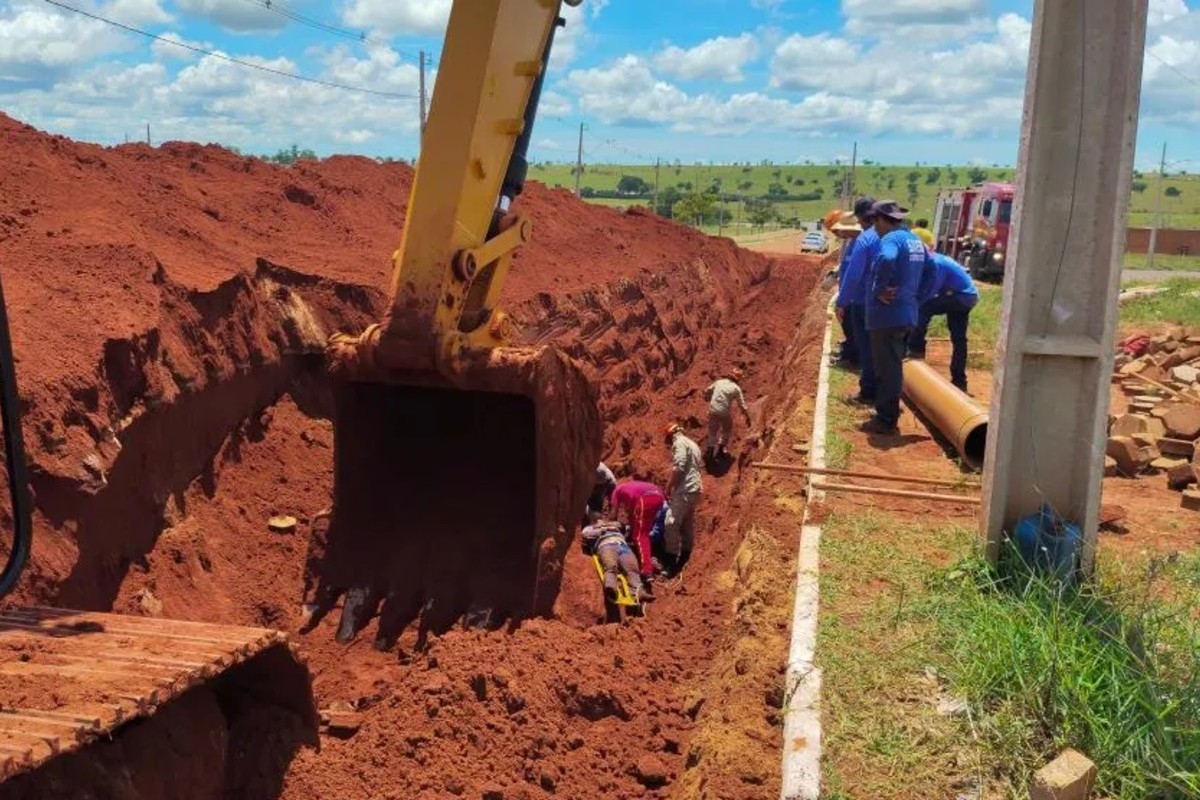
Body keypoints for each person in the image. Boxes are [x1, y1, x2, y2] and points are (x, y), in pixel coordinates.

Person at [862, 200, 927, 435]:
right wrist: (917, 298)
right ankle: (886, 410)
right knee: (893, 365)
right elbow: (932, 270)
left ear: (881, 220)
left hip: (887, 317)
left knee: (887, 368)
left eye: (874, 222)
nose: (873, 227)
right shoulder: (914, 240)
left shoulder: (890, 240)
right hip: (907, 314)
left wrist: (879, 289)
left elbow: (887, 259)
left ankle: (886, 419)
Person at [909, 248, 979, 392]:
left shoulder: (936, 264)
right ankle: (959, 381)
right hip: (967, 297)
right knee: (959, 340)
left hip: (960, 297)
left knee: (923, 308)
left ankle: (916, 350)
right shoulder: (937, 258)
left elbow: (929, 292)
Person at [838, 197, 881, 404]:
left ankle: (868, 391)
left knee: (867, 348)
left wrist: (842, 302)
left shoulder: (866, 239)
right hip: (892, 305)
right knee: (887, 352)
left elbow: (854, 275)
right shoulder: (901, 237)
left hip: (863, 302)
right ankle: (885, 394)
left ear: (862, 218)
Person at [661, 422, 703, 579]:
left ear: (671, 436)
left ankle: (671, 561)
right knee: (686, 523)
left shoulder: (679, 443)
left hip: (685, 489)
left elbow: (679, 467)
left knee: (670, 522)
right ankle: (686, 557)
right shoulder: (693, 444)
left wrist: (668, 487)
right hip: (696, 488)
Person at [581, 518, 654, 605]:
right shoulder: (590, 528)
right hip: (606, 545)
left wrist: (613, 525)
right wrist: (603, 529)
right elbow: (585, 534)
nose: (601, 520)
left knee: (632, 569)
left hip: (623, 546)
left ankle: (638, 592)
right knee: (610, 566)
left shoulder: (615, 524)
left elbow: (626, 527)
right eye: (598, 520)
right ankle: (611, 587)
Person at [609, 478, 666, 583]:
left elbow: (613, 514)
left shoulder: (616, 491)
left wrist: (609, 524)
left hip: (645, 499)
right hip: (659, 496)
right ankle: (656, 552)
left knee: (640, 535)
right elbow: (634, 513)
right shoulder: (630, 488)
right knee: (644, 528)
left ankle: (647, 570)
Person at [831, 212, 862, 366]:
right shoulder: (852, 242)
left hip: (854, 296)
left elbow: (855, 274)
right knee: (849, 327)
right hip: (849, 293)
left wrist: (843, 300)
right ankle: (848, 356)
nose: (841, 233)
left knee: (853, 329)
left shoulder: (860, 243)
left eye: (843, 229)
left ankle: (853, 360)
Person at [704, 369, 752, 459]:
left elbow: (707, 390)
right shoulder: (736, 388)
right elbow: (742, 404)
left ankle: (710, 450)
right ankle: (721, 448)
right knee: (727, 429)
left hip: (713, 410)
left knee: (712, 431)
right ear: (738, 379)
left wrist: (707, 397)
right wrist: (747, 416)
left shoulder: (719, 382)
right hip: (724, 412)